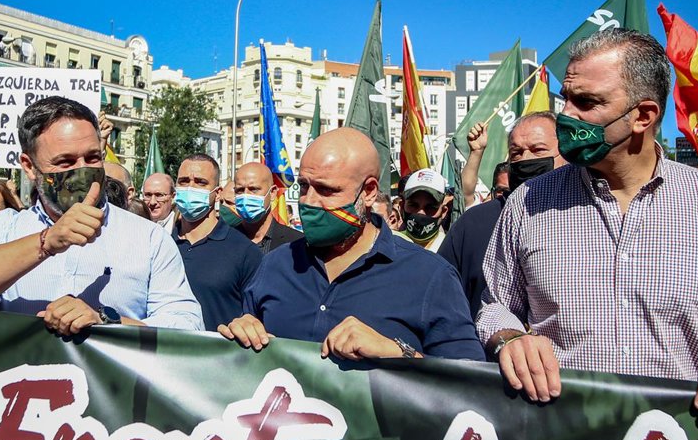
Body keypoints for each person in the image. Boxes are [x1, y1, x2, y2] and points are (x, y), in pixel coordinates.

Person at [477, 28, 698, 422]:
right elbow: (495, 306)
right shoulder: (527, 202)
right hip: (561, 438)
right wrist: (509, 338)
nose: (566, 115)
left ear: (643, 116)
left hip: (683, 438)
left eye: (586, 102)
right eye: (566, 98)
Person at [0, 97, 203, 333]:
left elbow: (188, 324)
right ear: (29, 166)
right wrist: (46, 242)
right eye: (65, 162)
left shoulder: (148, 238)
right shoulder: (5, 228)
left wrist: (108, 321)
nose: (82, 170)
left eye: (93, 158)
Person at [220, 128, 483, 361]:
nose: (309, 202)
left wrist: (399, 353)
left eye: (326, 190)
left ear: (368, 192)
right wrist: (242, 332)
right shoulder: (275, 265)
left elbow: (467, 383)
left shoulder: (430, 276)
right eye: (304, 187)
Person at [440, 111, 565, 320]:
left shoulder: (586, 218)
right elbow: (440, 295)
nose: (525, 159)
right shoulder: (474, 224)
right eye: (516, 153)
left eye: (538, 150)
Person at [171, 153, 263, 331]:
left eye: (200, 182)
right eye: (184, 181)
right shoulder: (160, 243)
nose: (190, 188)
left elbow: (256, 317)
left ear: (218, 193)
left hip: (218, 348)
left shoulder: (245, 252)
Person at [230, 161, 303, 253]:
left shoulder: (296, 243)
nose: (246, 196)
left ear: (272, 192)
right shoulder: (225, 240)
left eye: (254, 189)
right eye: (240, 190)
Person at [396, 168, 453, 251]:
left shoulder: (451, 250)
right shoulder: (390, 245)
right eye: (413, 205)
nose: (421, 212)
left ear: (443, 212)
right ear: (401, 207)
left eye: (430, 207)